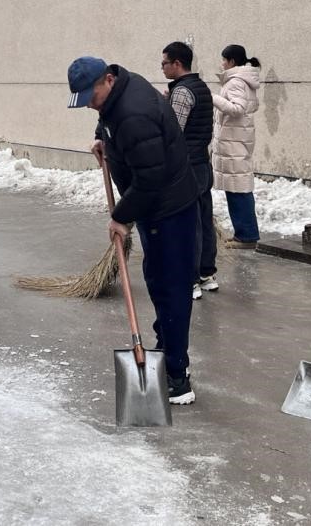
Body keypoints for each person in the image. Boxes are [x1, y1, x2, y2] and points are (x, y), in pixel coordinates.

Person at [67, 55, 200, 405]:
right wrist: (102, 138)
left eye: (92, 97)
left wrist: (120, 217)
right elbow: (107, 118)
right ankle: (166, 347)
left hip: (168, 209)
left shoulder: (134, 114)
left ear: (108, 80)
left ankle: (177, 376)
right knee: (158, 281)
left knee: (171, 288)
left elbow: (150, 179)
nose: (90, 105)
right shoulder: (121, 91)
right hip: (155, 208)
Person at [161, 41, 217, 300]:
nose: (162, 68)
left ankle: (191, 279)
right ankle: (207, 274)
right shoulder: (201, 87)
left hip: (188, 166)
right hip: (203, 163)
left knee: (189, 223)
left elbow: (174, 130)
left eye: (164, 63)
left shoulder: (182, 91)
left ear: (177, 63)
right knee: (205, 219)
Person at [212, 44, 262, 247]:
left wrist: (214, 98)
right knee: (237, 188)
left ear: (232, 61)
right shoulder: (244, 81)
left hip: (234, 142)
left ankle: (247, 236)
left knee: (238, 190)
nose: (222, 64)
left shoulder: (235, 82)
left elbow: (238, 109)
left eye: (224, 60)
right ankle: (243, 234)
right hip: (237, 139)